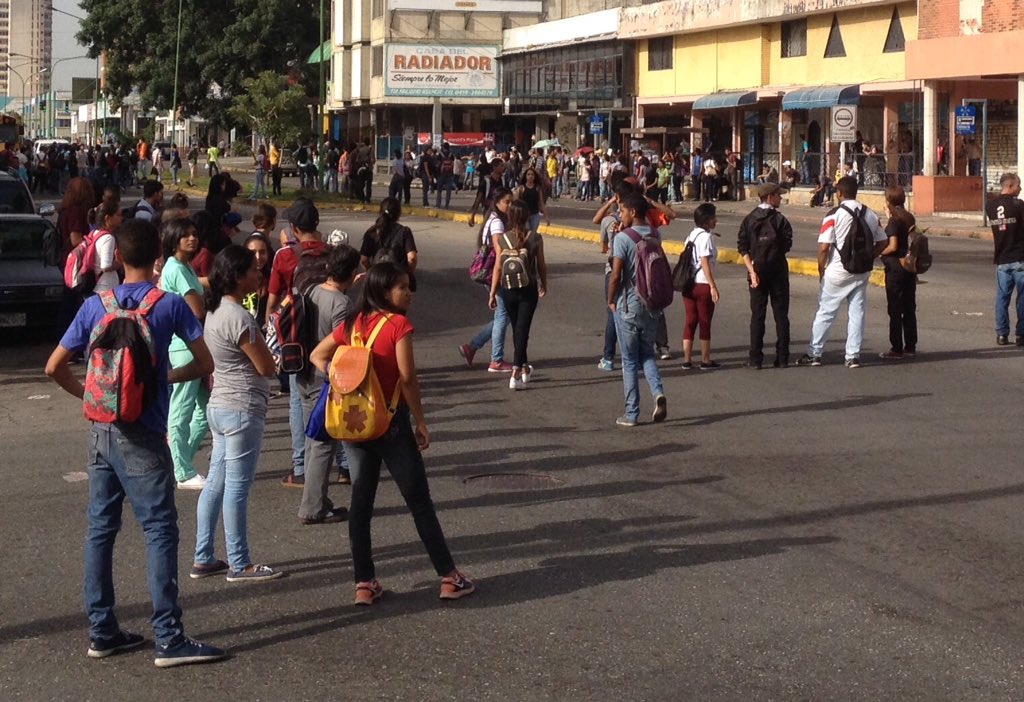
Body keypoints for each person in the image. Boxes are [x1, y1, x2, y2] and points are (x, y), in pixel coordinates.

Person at [44, 217, 226, 667]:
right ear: (157, 259)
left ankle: (102, 631)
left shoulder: (94, 305)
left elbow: (54, 366)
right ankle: (169, 637)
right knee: (160, 531)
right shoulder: (168, 306)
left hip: (101, 430)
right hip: (144, 432)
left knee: (100, 532)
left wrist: (90, 394)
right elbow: (204, 363)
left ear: (119, 258)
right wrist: (166, 374)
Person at [310, 262, 475, 605]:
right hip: (390, 422)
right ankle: (449, 577)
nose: (409, 292)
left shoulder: (353, 324)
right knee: (419, 502)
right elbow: (408, 377)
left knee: (361, 503)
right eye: (402, 287)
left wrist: (338, 376)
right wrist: (421, 421)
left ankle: (364, 583)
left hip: (355, 424)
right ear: (385, 291)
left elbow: (317, 355)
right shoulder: (398, 325)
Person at [192, 245, 283, 582]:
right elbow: (265, 366)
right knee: (236, 487)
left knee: (216, 482)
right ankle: (239, 562)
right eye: (252, 269)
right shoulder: (240, 318)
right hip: (242, 407)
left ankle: (203, 556)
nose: (259, 272)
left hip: (221, 404)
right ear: (236, 276)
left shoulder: (215, 311)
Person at [296, 244, 362, 523]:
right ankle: (313, 507)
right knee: (323, 444)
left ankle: (318, 500)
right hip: (327, 377)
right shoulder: (342, 305)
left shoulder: (313, 291)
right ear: (351, 272)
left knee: (312, 440)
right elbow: (343, 344)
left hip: (305, 371)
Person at [267, 198, 329, 488]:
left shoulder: (284, 256)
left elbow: (272, 300)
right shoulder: (333, 253)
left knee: (296, 401)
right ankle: (341, 465)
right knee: (332, 396)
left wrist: (270, 332)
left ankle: (301, 467)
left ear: (293, 228)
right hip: (330, 334)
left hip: (297, 339)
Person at [796, 176, 887, 368]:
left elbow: (823, 248)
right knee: (857, 312)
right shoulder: (870, 214)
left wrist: (821, 270)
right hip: (861, 270)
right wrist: (869, 256)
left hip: (837, 270)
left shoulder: (833, 215)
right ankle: (853, 355)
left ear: (839, 193)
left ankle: (815, 353)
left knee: (826, 312)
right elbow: (883, 241)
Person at [606, 191, 667, 427]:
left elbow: (616, 274)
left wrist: (611, 300)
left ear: (632, 212)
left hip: (628, 304)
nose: (620, 215)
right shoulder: (655, 234)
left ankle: (631, 413)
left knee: (630, 360)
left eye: (622, 211)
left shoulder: (623, 238)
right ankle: (658, 392)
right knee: (647, 354)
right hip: (651, 304)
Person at [160, 218, 210, 489]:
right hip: (184, 347)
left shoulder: (184, 266)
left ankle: (180, 463)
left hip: (193, 345)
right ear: (173, 239)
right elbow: (197, 309)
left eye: (194, 233)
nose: (192, 238)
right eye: (185, 235)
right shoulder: (175, 268)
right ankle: (182, 471)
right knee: (181, 410)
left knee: (204, 410)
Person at [488, 200, 547, 390]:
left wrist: (492, 292)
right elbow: (541, 265)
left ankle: (523, 368)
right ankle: (516, 370)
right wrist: (544, 283)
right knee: (523, 330)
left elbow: (498, 266)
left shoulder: (503, 239)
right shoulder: (535, 238)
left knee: (517, 328)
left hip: (508, 289)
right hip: (528, 289)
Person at [737, 183, 792, 369]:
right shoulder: (780, 220)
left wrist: (752, 272)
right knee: (781, 315)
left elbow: (742, 247)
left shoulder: (749, 219)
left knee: (757, 316)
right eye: (778, 195)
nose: (781, 198)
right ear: (769, 197)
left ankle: (755, 358)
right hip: (778, 271)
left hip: (756, 272)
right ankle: (783, 357)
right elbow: (787, 244)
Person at [458, 188, 514, 373]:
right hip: (493, 275)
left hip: (490, 274)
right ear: (497, 202)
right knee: (502, 316)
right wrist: (494, 288)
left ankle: (472, 347)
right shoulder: (497, 223)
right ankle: (496, 360)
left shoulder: (493, 219)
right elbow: (500, 254)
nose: (510, 205)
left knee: (503, 317)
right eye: (507, 202)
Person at [681, 203, 721, 370]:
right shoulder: (706, 238)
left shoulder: (691, 235)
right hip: (702, 283)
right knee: (705, 321)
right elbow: (704, 262)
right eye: (713, 217)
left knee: (690, 320)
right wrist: (713, 286)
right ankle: (705, 360)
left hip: (688, 284)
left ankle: (687, 359)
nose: (716, 220)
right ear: (707, 220)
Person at [878, 186, 918, 359]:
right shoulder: (909, 217)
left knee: (895, 309)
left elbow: (893, 246)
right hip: (909, 267)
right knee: (909, 308)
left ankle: (896, 348)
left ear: (888, 201)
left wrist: (879, 252)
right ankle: (910, 345)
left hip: (895, 268)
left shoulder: (894, 221)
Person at [985, 172, 1024, 346]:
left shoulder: (990, 206)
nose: (1020, 188)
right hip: (1019, 257)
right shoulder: (1019, 205)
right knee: (1022, 298)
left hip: (1002, 258)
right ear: (1009, 186)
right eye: (1018, 185)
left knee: (1002, 298)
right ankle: (1021, 335)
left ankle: (1002, 334)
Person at [359, 197, 418, 290]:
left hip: (378, 281)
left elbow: (363, 259)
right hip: (397, 280)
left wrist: (371, 271)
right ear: (398, 214)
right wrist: (408, 273)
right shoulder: (404, 231)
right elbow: (412, 257)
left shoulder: (372, 232)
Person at [90, 201, 124, 294]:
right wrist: (119, 263)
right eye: (118, 215)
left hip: (96, 285)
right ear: (108, 218)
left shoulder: (95, 233)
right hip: (105, 288)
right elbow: (105, 266)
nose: (121, 218)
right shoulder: (108, 238)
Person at [515, 167, 551, 233]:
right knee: (526, 231)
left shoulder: (537, 188)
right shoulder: (521, 188)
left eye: (532, 174)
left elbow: (541, 203)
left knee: (533, 233)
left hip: (534, 214)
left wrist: (546, 216)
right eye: (528, 174)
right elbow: (516, 202)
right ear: (525, 176)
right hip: (524, 215)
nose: (530, 176)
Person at [435, 142, 456, 209]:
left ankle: (438, 204)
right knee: (448, 191)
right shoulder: (451, 154)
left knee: (439, 190)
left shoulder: (440, 154)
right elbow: (453, 164)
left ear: (443, 147)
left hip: (441, 174)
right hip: (449, 174)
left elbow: (438, 164)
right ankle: (446, 205)